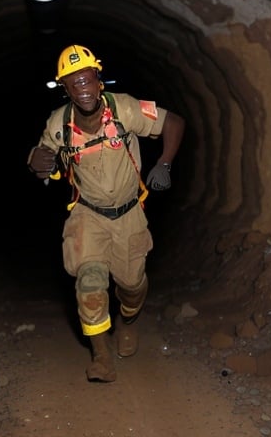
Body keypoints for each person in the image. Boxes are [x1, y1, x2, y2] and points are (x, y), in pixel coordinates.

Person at [27, 44, 185, 382]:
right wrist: (39, 165)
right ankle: (101, 357)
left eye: (88, 80)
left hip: (128, 214)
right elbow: (45, 163)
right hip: (88, 215)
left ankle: (129, 321)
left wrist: (165, 163)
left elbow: (174, 121)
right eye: (74, 83)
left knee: (131, 285)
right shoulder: (59, 125)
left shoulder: (124, 108)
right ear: (65, 88)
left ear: (98, 80)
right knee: (90, 281)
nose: (83, 89)